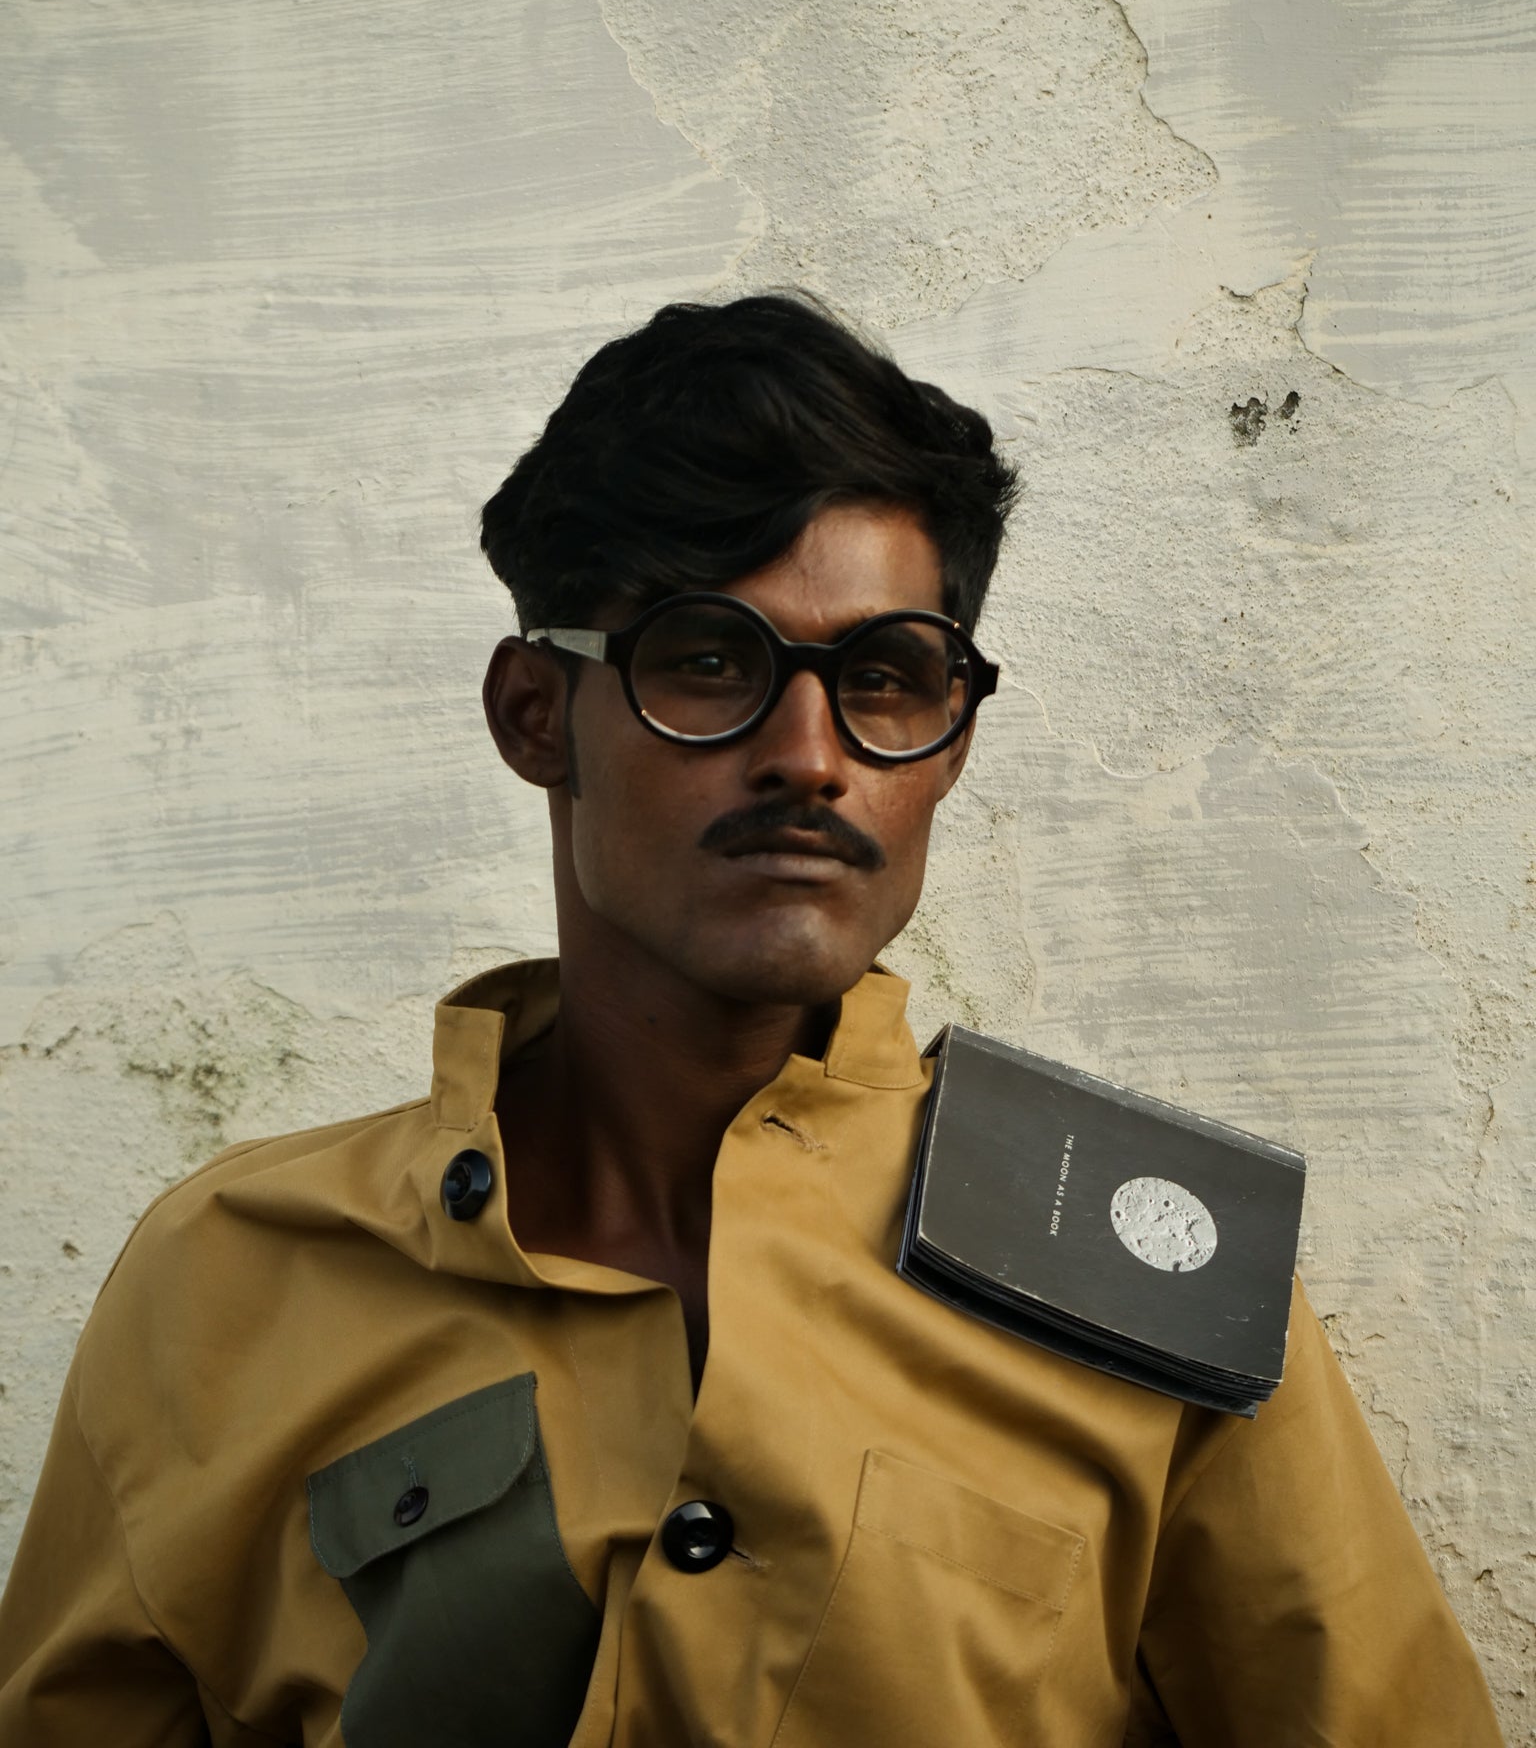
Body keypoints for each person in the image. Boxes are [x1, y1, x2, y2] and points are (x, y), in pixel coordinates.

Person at [0, 295, 1503, 1747]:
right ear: (538, 715)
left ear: (948, 746)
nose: (809, 757)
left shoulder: (1142, 1274)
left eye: (884, 680)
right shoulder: (230, 1282)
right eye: (710, 660)